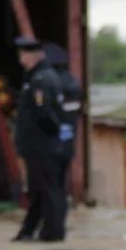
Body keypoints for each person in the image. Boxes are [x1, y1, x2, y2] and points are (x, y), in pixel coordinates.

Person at [12, 36, 66, 242]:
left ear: (31, 56)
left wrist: (48, 135)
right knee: (38, 189)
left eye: (22, 55)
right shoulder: (41, 76)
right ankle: (30, 230)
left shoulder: (41, 79)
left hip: (40, 144)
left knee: (46, 189)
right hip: (39, 144)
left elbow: (44, 113)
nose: (20, 60)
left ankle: (52, 232)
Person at [43, 42, 83, 221]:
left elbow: (49, 117)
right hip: (66, 143)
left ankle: (53, 226)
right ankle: (59, 223)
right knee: (60, 185)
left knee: (51, 187)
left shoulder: (52, 83)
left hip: (53, 144)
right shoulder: (72, 84)